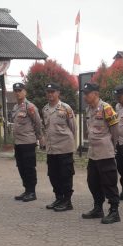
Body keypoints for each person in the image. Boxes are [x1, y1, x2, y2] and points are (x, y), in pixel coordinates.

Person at [81, 83, 121, 224]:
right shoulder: (89, 109)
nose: (85, 96)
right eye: (84, 93)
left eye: (87, 93)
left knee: (109, 183)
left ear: (96, 94)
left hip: (105, 152)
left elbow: (115, 129)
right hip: (93, 152)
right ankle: (98, 208)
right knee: (93, 182)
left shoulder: (106, 108)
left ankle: (114, 211)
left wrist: (114, 145)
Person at [42, 83, 76, 212]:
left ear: (58, 93)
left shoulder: (66, 108)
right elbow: (46, 128)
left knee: (65, 175)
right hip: (51, 149)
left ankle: (67, 201)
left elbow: (73, 127)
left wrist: (70, 143)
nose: (50, 94)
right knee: (53, 175)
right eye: (48, 91)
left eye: (53, 91)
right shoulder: (45, 109)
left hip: (64, 148)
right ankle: (59, 198)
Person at [11, 82, 43, 203]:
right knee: (21, 167)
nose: (17, 92)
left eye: (20, 90)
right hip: (18, 143)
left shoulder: (30, 107)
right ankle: (26, 190)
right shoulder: (15, 107)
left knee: (29, 167)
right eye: (16, 91)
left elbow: (38, 123)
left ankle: (32, 192)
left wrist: (40, 137)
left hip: (28, 142)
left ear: (25, 92)